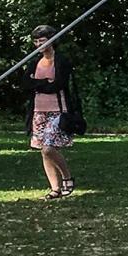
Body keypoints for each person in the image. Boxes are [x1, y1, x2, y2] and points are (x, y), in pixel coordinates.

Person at [25, 25, 80, 200]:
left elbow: (58, 84)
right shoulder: (34, 62)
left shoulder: (61, 61)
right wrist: (44, 83)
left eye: (42, 40)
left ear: (52, 40)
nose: (39, 44)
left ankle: (67, 177)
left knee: (49, 148)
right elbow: (25, 84)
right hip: (38, 110)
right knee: (43, 149)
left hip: (58, 109)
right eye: (36, 41)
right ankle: (55, 189)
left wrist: (39, 83)